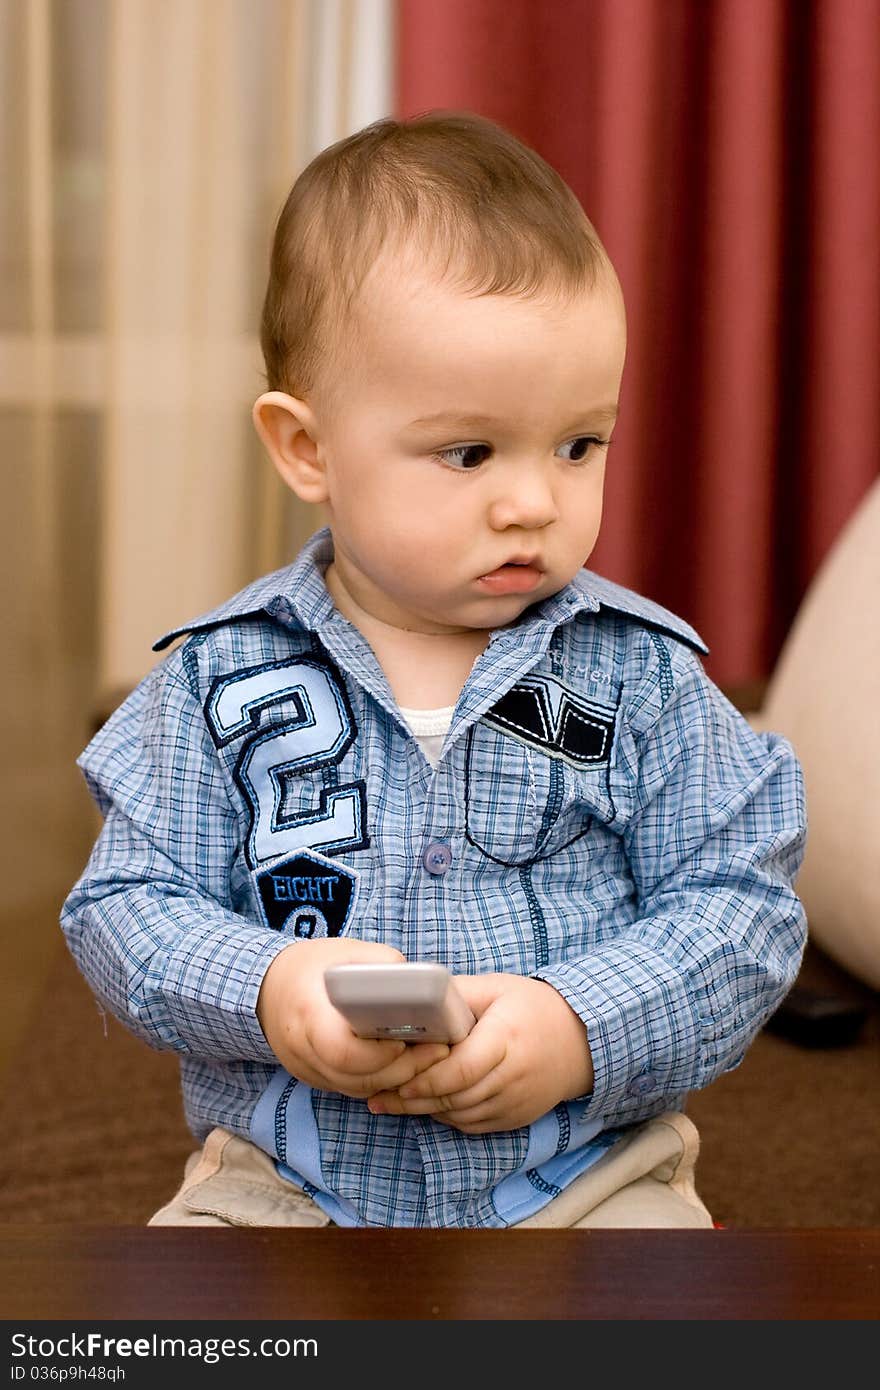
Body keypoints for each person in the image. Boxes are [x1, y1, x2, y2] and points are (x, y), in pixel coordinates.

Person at [61, 110, 807, 1229]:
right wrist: (271, 993)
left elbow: (743, 904)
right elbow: (123, 905)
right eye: (468, 451)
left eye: (578, 443)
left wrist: (576, 1025)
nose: (533, 501)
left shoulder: (642, 679)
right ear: (307, 449)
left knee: (685, 1316)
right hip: (286, 1183)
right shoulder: (215, 683)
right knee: (168, 1326)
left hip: (584, 1178)